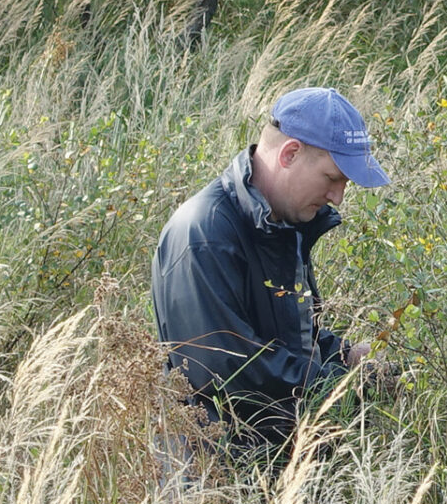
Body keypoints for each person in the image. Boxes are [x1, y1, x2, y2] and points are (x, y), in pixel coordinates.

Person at [153, 86, 391, 457]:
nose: (338, 197)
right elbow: (223, 366)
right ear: (291, 153)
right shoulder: (204, 233)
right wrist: (341, 385)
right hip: (217, 478)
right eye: (333, 177)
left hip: (277, 470)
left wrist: (344, 355)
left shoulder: (282, 225)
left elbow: (284, 337)